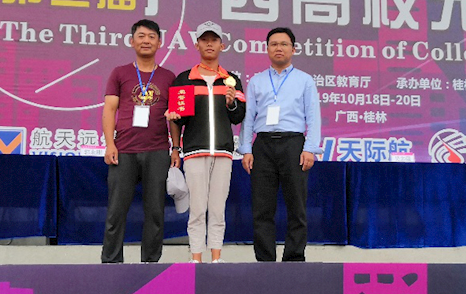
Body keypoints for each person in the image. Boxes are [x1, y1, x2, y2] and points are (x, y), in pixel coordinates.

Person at [239, 27, 322, 262]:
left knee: (297, 207)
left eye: (284, 44)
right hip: (263, 146)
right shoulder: (256, 81)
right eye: (274, 44)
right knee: (262, 208)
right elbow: (248, 117)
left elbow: (313, 116)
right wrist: (246, 149)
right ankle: (265, 261)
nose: (279, 48)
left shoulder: (304, 80)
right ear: (267, 49)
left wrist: (310, 148)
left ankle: (294, 259)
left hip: (293, 144)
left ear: (293, 49)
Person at [167, 21, 246, 263]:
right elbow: (177, 120)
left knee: (218, 209)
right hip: (194, 151)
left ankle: (216, 258)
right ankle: (196, 258)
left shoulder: (231, 80)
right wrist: (176, 146)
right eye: (204, 40)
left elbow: (238, 117)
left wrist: (231, 103)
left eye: (214, 40)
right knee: (198, 209)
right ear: (197, 44)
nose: (209, 44)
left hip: (223, 152)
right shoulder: (184, 79)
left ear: (222, 45)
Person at [101, 19, 178, 263]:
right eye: (141, 36)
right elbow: (109, 109)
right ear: (132, 41)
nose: (146, 41)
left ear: (160, 42)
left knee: (155, 211)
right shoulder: (120, 73)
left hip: (157, 150)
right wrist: (110, 144)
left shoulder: (169, 77)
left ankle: (150, 263)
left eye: (152, 37)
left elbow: (174, 117)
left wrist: (176, 148)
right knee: (116, 211)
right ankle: (111, 262)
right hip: (124, 150)